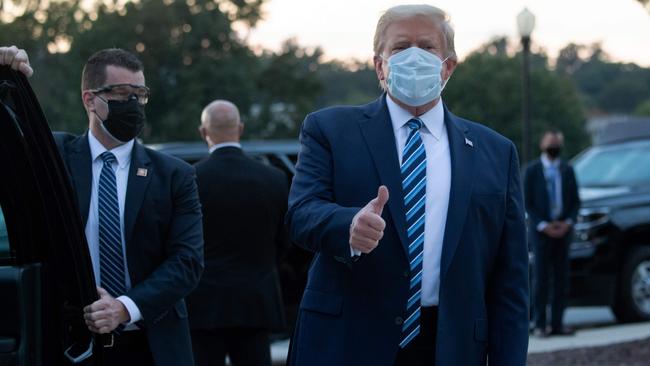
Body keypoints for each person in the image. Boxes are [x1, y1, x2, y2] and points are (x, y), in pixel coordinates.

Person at [285, 4, 529, 366]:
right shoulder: (330, 131)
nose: (414, 56)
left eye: (427, 47)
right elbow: (301, 214)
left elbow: (510, 280)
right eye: (400, 47)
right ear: (379, 65)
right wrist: (348, 226)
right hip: (348, 341)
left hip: (450, 345)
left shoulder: (496, 152)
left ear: (448, 65)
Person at [0, 45, 204, 365]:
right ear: (89, 99)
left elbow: (187, 261)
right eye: (122, 93)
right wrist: (7, 75)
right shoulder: (53, 156)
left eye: (140, 94)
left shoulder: (174, 175)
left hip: (151, 343)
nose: (133, 104)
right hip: (70, 342)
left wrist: (123, 308)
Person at [186, 100, 289, 366]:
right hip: (256, 301)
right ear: (240, 128)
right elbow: (284, 240)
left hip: (204, 304)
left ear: (203, 131)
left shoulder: (190, 178)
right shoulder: (274, 178)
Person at [524, 130, 580, 337]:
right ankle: (539, 324)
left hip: (563, 232)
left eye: (556, 144)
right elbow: (526, 202)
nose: (553, 147)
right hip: (541, 234)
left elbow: (575, 201)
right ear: (542, 145)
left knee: (561, 278)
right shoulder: (531, 171)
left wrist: (567, 223)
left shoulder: (567, 170)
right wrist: (542, 225)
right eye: (550, 144)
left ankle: (557, 323)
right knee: (540, 279)